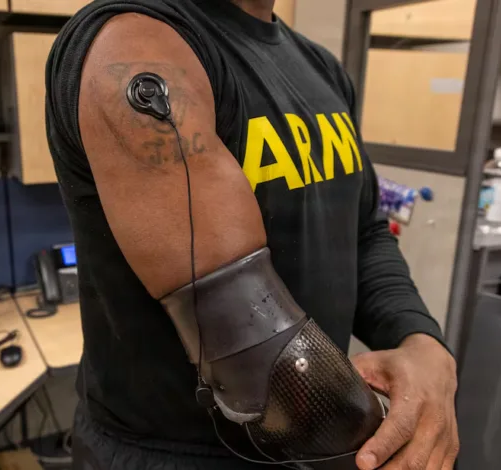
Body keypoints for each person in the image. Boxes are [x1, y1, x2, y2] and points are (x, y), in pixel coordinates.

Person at [45, 1, 459, 469]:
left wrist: (420, 342)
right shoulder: (134, 47)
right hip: (179, 455)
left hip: (308, 438)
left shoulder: (321, 68)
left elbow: (364, 233)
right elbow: (258, 351)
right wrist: (389, 445)